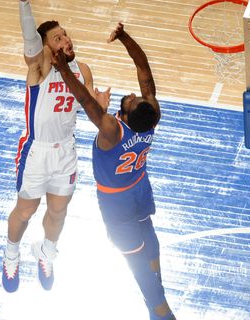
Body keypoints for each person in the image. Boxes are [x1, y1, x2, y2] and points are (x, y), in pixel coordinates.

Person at [52, 23, 174, 320]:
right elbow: (143, 67)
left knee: (134, 260)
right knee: (147, 229)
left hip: (116, 201)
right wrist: (123, 36)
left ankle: (160, 311)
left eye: (131, 100)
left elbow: (84, 101)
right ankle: (156, 281)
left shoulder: (112, 130)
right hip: (139, 187)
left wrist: (62, 69)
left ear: (127, 114)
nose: (132, 93)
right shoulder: (151, 117)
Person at [2, 0, 102, 293]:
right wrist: (24, 2)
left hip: (65, 151)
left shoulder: (82, 69)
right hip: (37, 152)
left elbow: (88, 113)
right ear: (46, 48)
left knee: (58, 212)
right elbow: (31, 40)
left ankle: (46, 253)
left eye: (66, 35)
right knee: (26, 210)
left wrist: (98, 107)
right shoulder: (40, 66)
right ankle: (11, 254)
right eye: (58, 38)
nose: (66, 40)